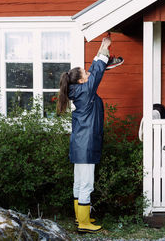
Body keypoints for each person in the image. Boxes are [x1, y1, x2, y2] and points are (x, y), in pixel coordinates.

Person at [57, 37, 111, 233]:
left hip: (78, 144)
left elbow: (93, 72)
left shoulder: (76, 90)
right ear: (81, 80)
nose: (89, 74)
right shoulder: (86, 90)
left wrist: (101, 51)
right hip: (86, 144)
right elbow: (96, 71)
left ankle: (81, 218)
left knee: (78, 182)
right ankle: (85, 224)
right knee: (87, 183)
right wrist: (104, 48)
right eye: (85, 73)